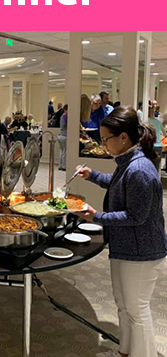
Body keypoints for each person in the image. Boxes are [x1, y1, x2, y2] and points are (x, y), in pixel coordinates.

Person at [75, 106, 167, 357]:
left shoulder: (140, 169)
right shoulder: (129, 162)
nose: (103, 144)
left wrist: (98, 217)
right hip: (127, 246)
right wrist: (92, 175)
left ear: (123, 137)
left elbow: (136, 216)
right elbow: (119, 185)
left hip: (141, 251)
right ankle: (124, 352)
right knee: (124, 306)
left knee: (137, 310)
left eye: (105, 139)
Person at [147, 106, 166, 172]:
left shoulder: (147, 121)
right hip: (159, 146)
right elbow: (165, 134)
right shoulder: (158, 122)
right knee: (156, 167)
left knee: (148, 166)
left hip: (150, 145)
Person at [57, 105, 68, 171]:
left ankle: (60, 165)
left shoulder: (62, 116)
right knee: (64, 152)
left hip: (60, 135)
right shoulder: (66, 117)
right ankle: (64, 166)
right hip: (64, 135)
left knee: (61, 151)